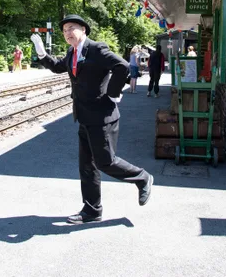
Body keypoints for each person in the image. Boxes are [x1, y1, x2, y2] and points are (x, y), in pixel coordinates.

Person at [30, 14, 153, 224]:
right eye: (64, 30)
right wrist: (41, 53)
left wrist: (113, 92)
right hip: (84, 117)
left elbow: (122, 66)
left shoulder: (97, 49)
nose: (67, 33)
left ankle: (142, 177)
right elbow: (59, 66)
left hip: (102, 117)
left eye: (71, 28)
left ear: (84, 30)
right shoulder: (72, 52)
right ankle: (92, 210)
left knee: (105, 162)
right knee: (87, 166)